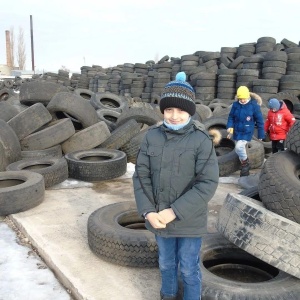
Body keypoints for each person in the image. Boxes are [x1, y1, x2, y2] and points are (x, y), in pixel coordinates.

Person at [132, 71, 219, 300]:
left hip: (189, 221)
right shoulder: (152, 136)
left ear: (189, 111)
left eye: (181, 110)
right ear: (163, 110)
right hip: (159, 219)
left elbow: (207, 183)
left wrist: (174, 211)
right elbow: (141, 176)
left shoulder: (201, 140)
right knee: (166, 264)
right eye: (169, 109)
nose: (174, 116)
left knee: (189, 269)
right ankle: (167, 295)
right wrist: (148, 211)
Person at [226, 85, 265, 177]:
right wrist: (230, 127)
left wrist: (261, 134)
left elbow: (259, 121)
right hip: (237, 131)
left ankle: (245, 163)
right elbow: (231, 117)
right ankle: (245, 171)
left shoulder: (254, 106)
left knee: (239, 147)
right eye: (240, 98)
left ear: (248, 96)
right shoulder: (235, 105)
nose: (242, 100)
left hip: (247, 131)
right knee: (239, 150)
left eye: (244, 98)